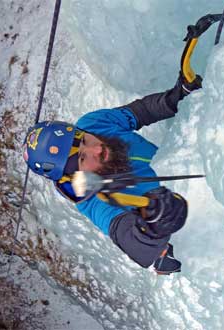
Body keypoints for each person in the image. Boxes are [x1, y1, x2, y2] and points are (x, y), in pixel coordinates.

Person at [23, 68, 202, 275]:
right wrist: (154, 227)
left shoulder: (92, 124)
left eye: (84, 140)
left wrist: (176, 97)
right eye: (82, 157)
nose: (97, 148)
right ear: (76, 177)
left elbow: (140, 112)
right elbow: (126, 235)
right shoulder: (94, 200)